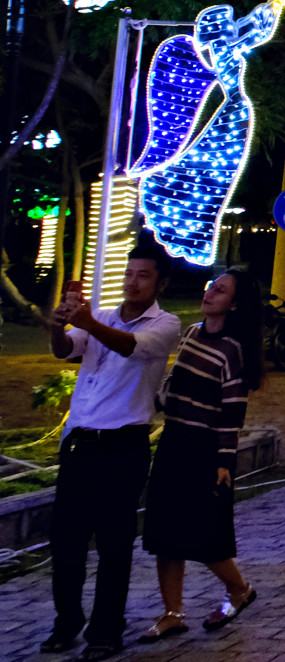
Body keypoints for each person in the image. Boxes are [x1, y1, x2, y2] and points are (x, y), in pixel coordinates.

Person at [45, 243, 183, 660]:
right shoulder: (102, 315)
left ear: (160, 283)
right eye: (129, 273)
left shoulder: (166, 323)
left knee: (113, 543)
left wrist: (86, 320)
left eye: (143, 275)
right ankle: (67, 621)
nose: (133, 281)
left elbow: (131, 347)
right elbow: (66, 350)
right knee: (65, 542)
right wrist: (58, 326)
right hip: (80, 442)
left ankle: (106, 630)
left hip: (124, 445)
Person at [140, 269, 265, 638]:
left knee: (203, 535)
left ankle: (239, 589)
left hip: (205, 450)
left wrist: (224, 462)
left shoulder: (233, 352)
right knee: (163, 533)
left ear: (235, 304)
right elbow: (171, 385)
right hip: (173, 441)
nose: (210, 293)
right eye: (212, 287)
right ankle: (172, 613)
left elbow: (232, 414)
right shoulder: (192, 334)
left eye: (221, 291)